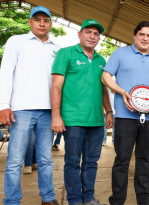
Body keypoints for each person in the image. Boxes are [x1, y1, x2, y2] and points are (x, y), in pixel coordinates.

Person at [0, 6, 60, 205]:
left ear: (50, 23)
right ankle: (12, 200)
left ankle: (48, 198)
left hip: (48, 111)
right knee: (15, 160)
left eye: (46, 20)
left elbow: (59, 83)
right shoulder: (16, 41)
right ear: (30, 22)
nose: (42, 23)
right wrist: (3, 105)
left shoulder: (56, 48)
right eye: (37, 19)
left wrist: (59, 111)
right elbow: (5, 74)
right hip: (21, 110)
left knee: (46, 160)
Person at [101, 21, 149, 205]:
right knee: (122, 160)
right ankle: (117, 200)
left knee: (144, 160)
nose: (145, 38)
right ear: (135, 36)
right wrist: (122, 91)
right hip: (124, 116)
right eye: (142, 34)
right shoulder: (120, 53)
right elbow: (105, 76)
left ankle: (143, 200)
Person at [51, 19, 113, 205]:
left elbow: (104, 89)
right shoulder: (66, 53)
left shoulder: (101, 60)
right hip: (73, 120)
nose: (92, 36)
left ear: (99, 38)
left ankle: (88, 198)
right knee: (72, 162)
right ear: (79, 34)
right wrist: (56, 116)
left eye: (96, 34)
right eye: (88, 32)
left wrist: (109, 111)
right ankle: (74, 200)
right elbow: (56, 87)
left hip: (96, 121)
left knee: (91, 162)